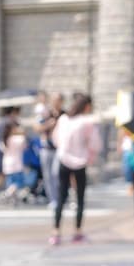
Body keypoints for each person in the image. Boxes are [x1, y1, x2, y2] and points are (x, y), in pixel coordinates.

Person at [50, 94, 101, 246]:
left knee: (61, 197)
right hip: (79, 162)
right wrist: (88, 154)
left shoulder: (63, 119)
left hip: (64, 160)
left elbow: (55, 139)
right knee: (80, 198)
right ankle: (77, 232)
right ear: (87, 107)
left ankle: (56, 232)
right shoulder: (86, 122)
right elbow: (95, 144)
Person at [37, 93, 64, 208]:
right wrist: (49, 124)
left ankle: (60, 197)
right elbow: (37, 127)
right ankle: (53, 199)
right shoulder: (46, 114)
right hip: (47, 148)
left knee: (57, 173)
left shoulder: (64, 115)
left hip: (59, 149)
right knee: (48, 175)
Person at [0, 121, 27, 204]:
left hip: (7, 163)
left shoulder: (4, 139)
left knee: (10, 182)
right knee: (18, 182)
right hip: (16, 163)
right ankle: (7, 193)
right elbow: (24, 146)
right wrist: (22, 132)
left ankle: (14, 199)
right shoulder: (17, 139)